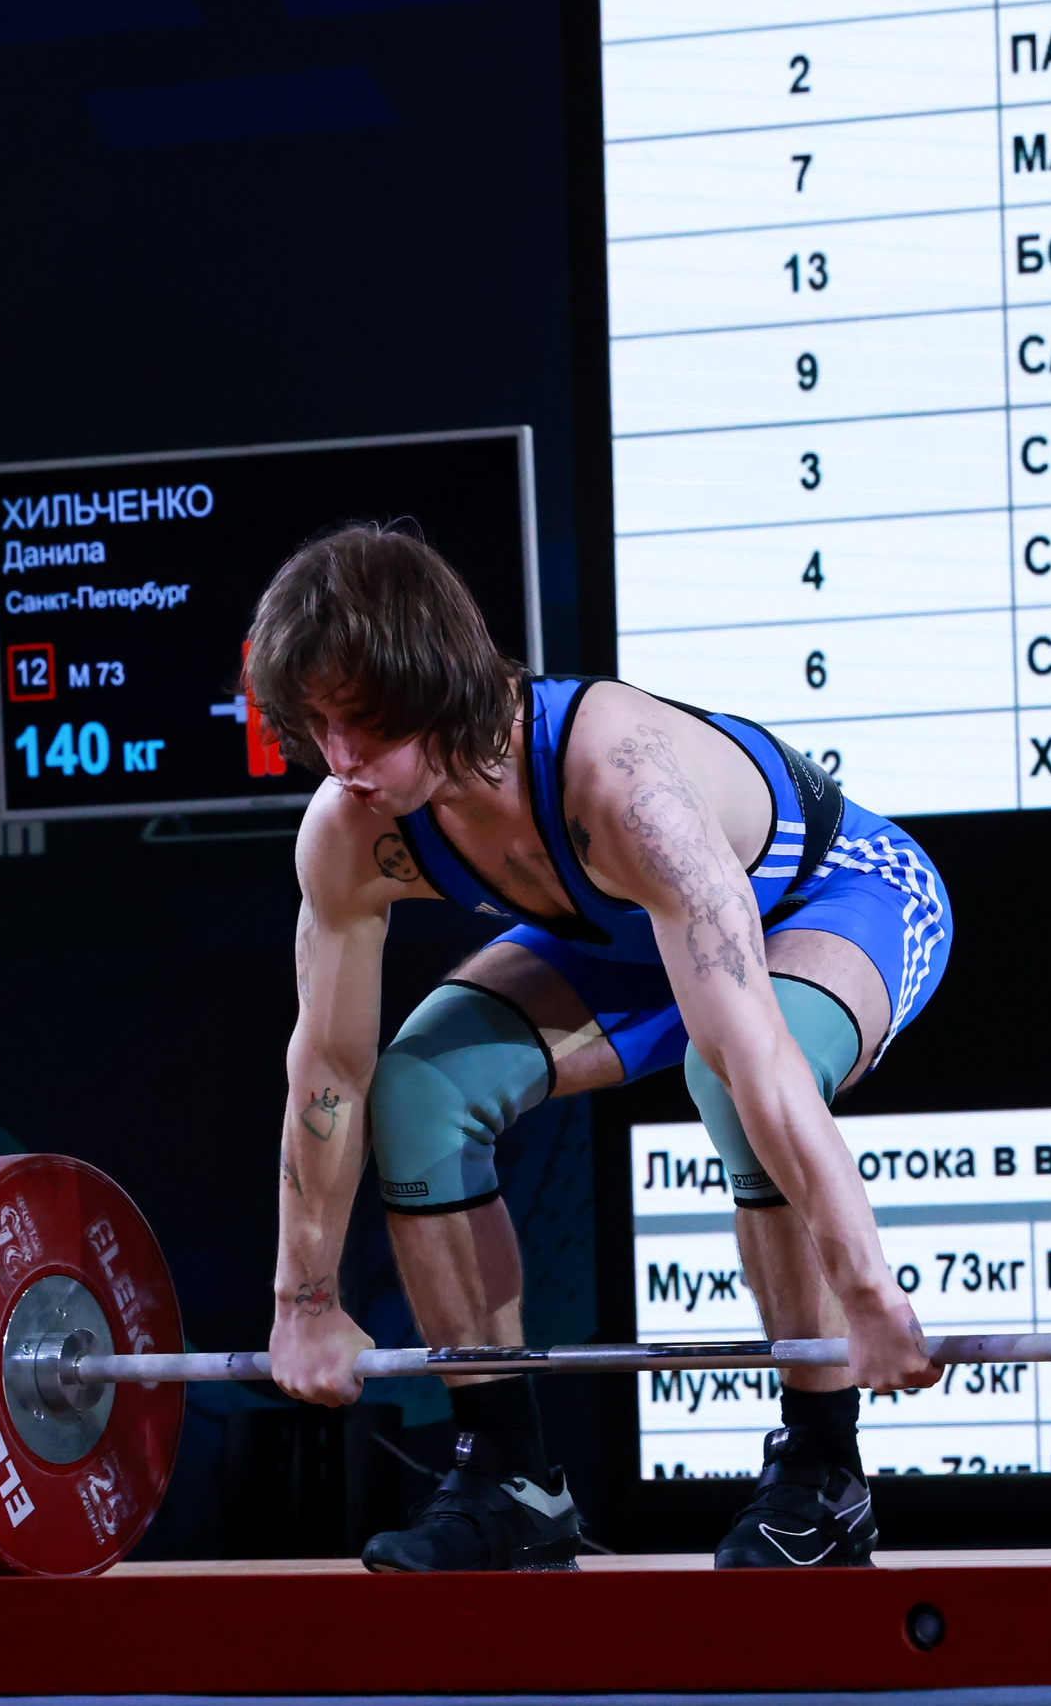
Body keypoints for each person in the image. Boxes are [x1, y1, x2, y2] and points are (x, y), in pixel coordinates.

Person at [253, 524, 954, 1572]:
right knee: (414, 1092)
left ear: (436, 682)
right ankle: (508, 1479)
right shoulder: (348, 830)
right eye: (318, 727)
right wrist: (302, 1303)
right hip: (625, 941)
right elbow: (330, 1073)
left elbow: (757, 1054)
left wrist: (866, 1291)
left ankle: (821, 1467)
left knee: (733, 1071)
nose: (342, 761)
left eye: (363, 724)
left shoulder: (623, 787)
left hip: (832, 902)